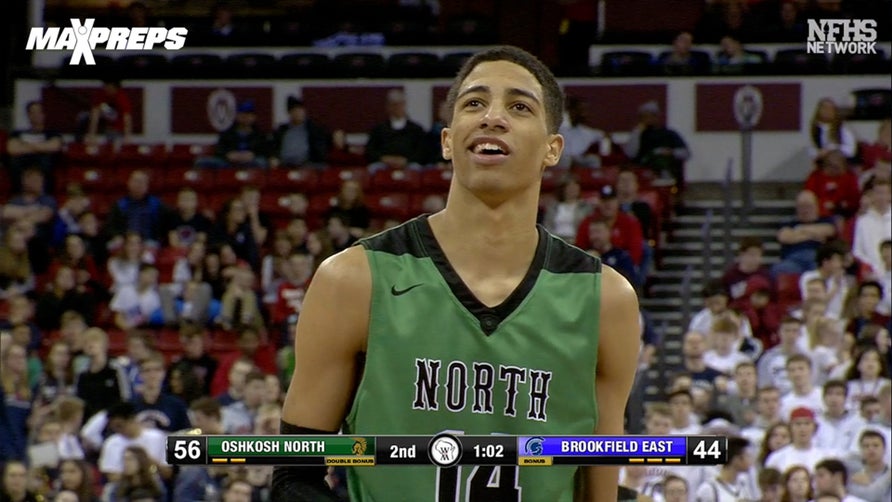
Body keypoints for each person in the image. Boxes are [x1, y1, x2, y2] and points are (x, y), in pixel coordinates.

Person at [273, 45, 640, 502]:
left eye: (519, 107)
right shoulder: (353, 279)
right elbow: (295, 478)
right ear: (447, 141)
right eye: (474, 103)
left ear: (553, 149)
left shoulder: (605, 299)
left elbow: (598, 492)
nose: (492, 117)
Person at [623, 100, 690, 187]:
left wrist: (671, 152)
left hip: (668, 173)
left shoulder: (669, 134)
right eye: (645, 117)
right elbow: (630, 154)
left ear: (657, 117)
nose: (649, 119)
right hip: (644, 172)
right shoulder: (638, 135)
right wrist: (637, 132)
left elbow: (686, 153)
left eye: (651, 116)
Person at [5, 101, 62, 194]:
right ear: (28, 115)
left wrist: (25, 145)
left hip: (43, 165)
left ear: (44, 114)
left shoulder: (52, 133)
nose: (36, 115)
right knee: (14, 161)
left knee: (46, 159)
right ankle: (19, 195)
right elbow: (12, 149)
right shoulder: (17, 133)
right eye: (33, 112)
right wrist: (42, 147)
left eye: (39, 112)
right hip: (23, 164)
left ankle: (43, 194)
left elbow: (54, 146)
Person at [364, 89, 428, 172]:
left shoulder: (416, 129)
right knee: (373, 169)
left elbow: (422, 151)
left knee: (416, 169)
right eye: (393, 105)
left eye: (399, 104)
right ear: (388, 106)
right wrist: (384, 158)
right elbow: (370, 150)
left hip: (409, 163)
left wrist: (406, 160)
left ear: (404, 105)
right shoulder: (378, 129)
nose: (396, 108)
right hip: (383, 163)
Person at [271, 96, 329, 168]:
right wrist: (274, 157)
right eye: (295, 111)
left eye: (300, 110)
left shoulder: (313, 129)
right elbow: (274, 147)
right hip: (283, 166)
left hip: (307, 165)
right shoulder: (281, 130)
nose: (298, 113)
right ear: (290, 113)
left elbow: (320, 151)